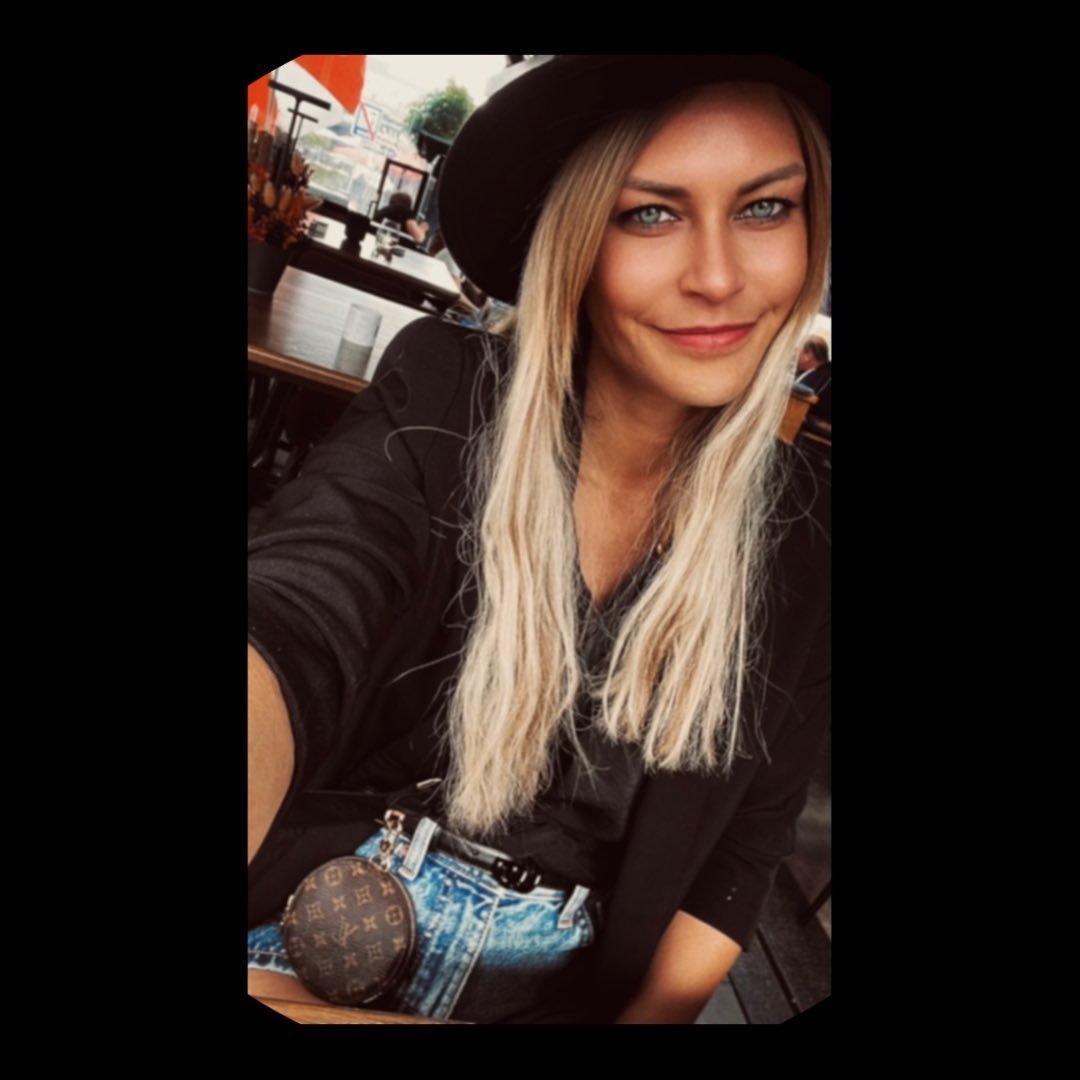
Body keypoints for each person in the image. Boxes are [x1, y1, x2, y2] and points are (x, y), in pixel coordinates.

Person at [248, 54, 831, 1024]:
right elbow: (298, 611)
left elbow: (740, 854)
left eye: (766, 207)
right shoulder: (444, 393)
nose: (719, 276)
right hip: (309, 930)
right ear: (578, 238)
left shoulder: (801, 531)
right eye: (652, 213)